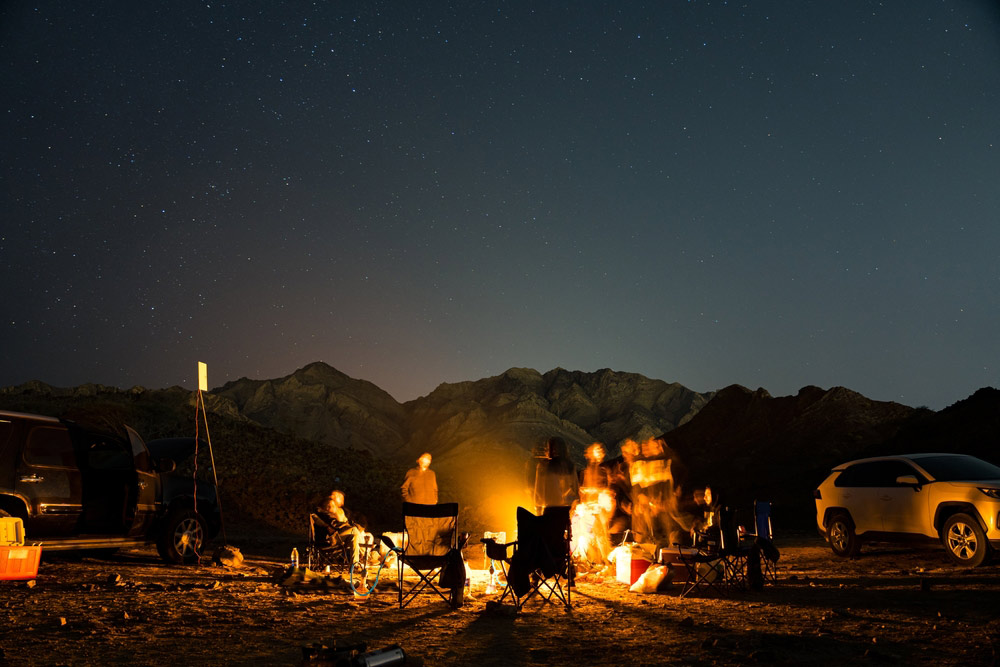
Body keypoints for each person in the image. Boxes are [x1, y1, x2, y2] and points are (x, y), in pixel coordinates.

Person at [313, 490, 368, 564]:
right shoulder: (321, 513)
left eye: (333, 506)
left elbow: (343, 523)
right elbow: (335, 525)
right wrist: (348, 525)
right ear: (326, 506)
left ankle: (354, 564)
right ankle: (366, 556)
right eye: (331, 506)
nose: (333, 508)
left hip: (337, 536)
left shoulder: (335, 513)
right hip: (329, 539)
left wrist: (349, 524)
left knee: (354, 537)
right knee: (354, 530)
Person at [533, 436, 579, 513]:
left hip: (551, 509)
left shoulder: (543, 466)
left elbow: (539, 490)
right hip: (567, 509)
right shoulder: (569, 465)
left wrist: (538, 510)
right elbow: (575, 488)